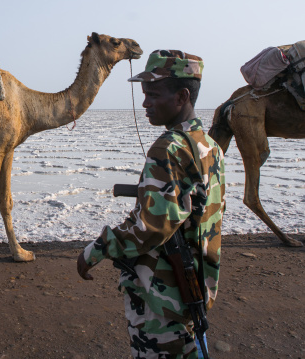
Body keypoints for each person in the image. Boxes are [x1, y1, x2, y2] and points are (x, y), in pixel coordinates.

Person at [77, 50, 226, 359]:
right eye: (144, 94)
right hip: (196, 285)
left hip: (163, 296)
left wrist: (96, 250)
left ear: (182, 96)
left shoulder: (169, 147)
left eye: (153, 94)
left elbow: (151, 227)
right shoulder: (210, 145)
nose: (145, 103)